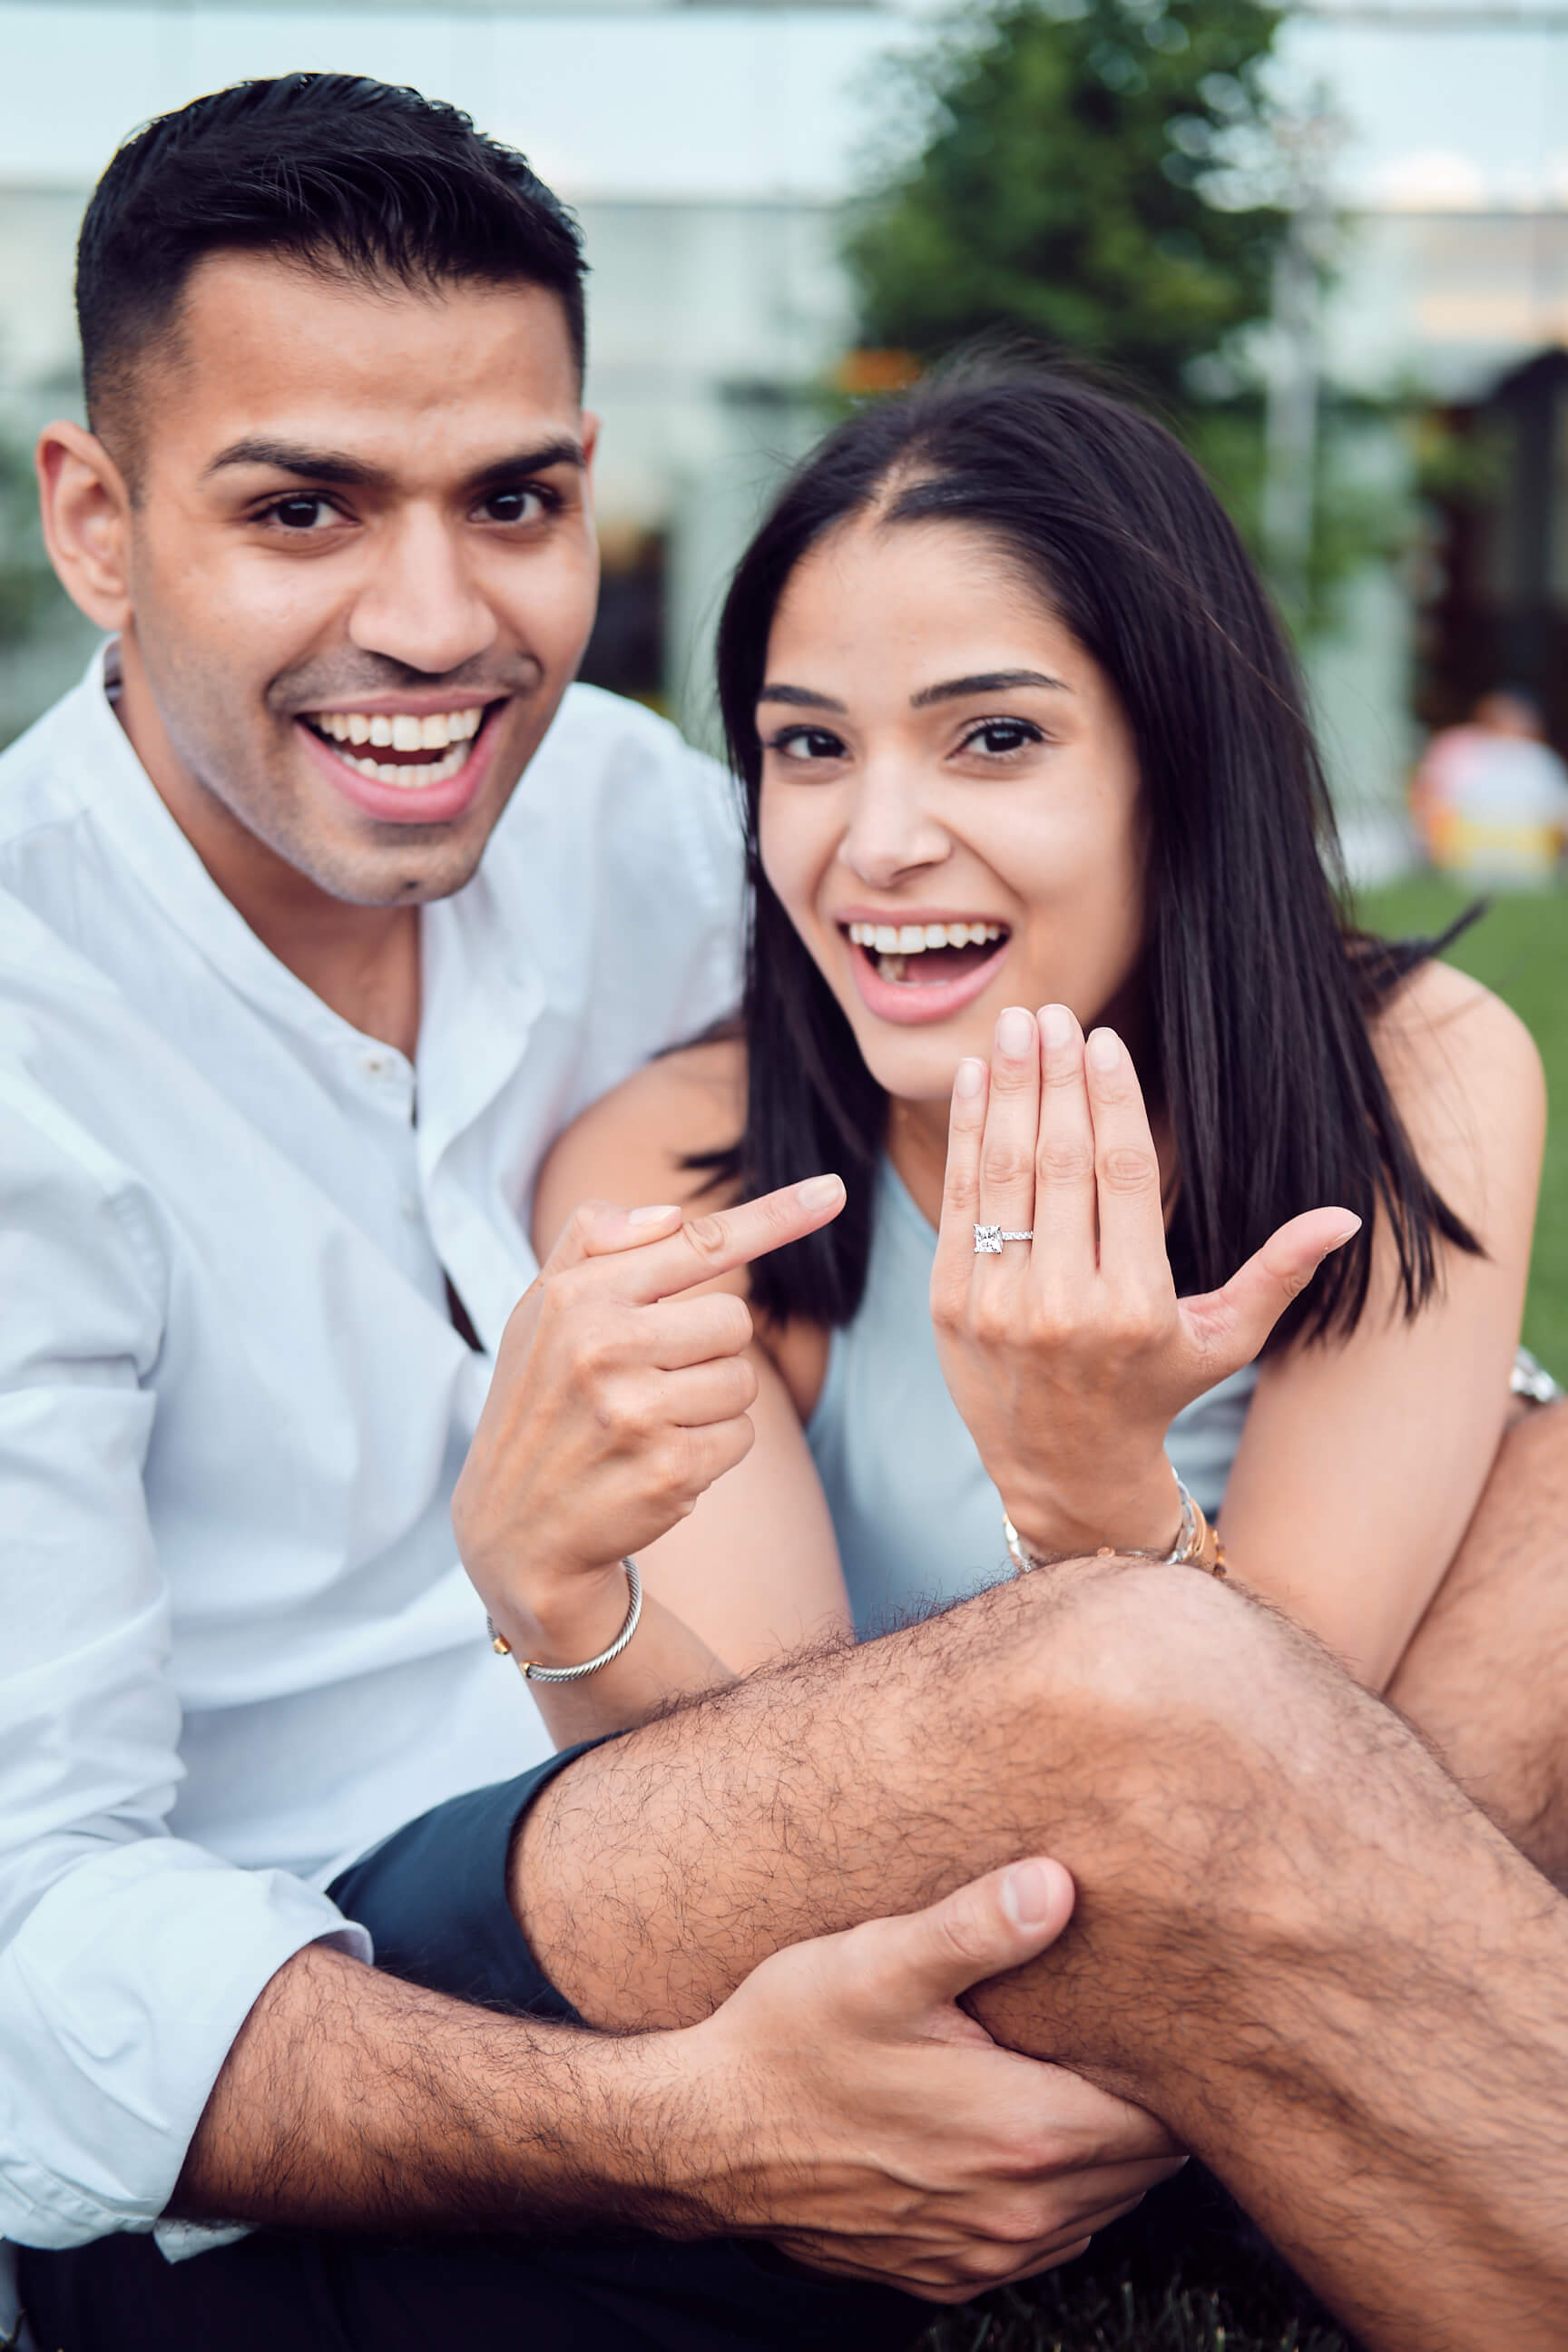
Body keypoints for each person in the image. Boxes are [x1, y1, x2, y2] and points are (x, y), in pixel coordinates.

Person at [7, 73, 1568, 2352]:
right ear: (97, 518)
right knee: (1133, 1670)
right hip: (350, 1985)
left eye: (515, 497)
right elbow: (30, 1934)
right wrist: (680, 2116)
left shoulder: (627, 822)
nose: (433, 620)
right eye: (304, 506)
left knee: (1528, 1502)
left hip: (771, 1783)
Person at [533, 356, 1551, 1719]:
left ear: (1179, 767)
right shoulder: (680, 1173)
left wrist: (1092, 1496)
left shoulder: (1413, 1076)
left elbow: (1305, 1802)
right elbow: (760, 1817)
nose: (879, 847)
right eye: (812, 748)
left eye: (996, 737)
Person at [1412, 687, 1568, 881]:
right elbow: (1430, 800)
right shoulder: (1458, 749)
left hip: (1528, 857)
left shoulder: (1538, 758)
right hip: (1467, 854)